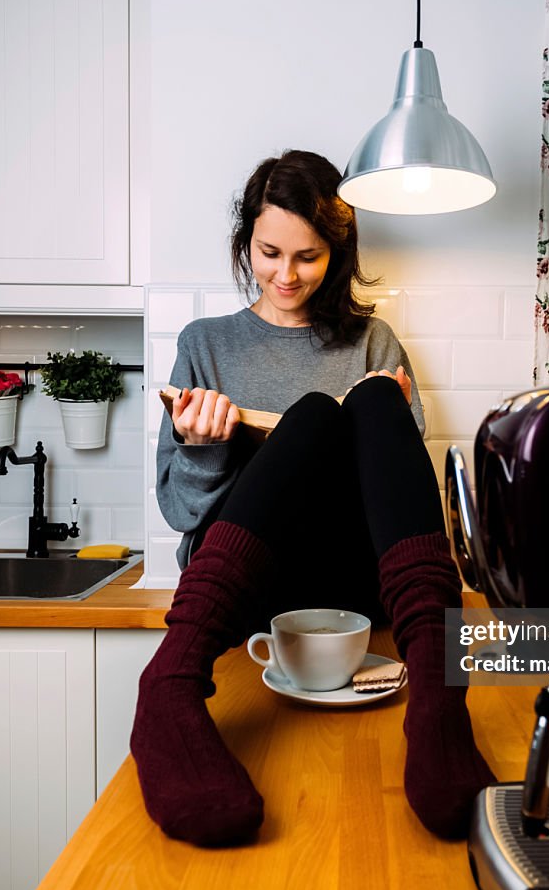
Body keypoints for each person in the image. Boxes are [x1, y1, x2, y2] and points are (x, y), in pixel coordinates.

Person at [132, 149, 494, 846]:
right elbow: (181, 514)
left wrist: (382, 414)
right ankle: (172, 680)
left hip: (359, 592)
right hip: (250, 600)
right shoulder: (205, 344)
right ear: (247, 244)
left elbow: (395, 502)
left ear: (338, 252)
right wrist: (207, 446)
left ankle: (441, 696)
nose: (287, 275)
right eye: (270, 253)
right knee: (314, 416)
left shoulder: (373, 341)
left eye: (310, 256)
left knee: (366, 406)